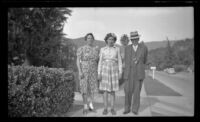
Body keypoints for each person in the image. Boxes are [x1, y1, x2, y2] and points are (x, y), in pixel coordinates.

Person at [123, 31, 148, 115]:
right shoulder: (127, 48)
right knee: (127, 92)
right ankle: (127, 108)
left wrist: (139, 65)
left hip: (139, 73)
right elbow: (126, 61)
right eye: (133, 39)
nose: (134, 40)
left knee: (137, 93)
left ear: (138, 39)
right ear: (131, 40)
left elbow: (145, 60)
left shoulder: (144, 48)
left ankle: (135, 109)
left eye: (136, 39)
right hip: (128, 73)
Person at [98, 33, 122, 115]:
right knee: (104, 91)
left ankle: (112, 108)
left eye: (112, 39)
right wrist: (99, 73)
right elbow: (100, 62)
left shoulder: (117, 49)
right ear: (106, 40)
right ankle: (105, 108)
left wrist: (120, 72)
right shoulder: (102, 49)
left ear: (114, 40)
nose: (111, 41)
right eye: (109, 39)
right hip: (104, 70)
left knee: (112, 91)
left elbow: (120, 61)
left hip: (114, 70)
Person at [76, 33, 99, 115]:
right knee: (84, 89)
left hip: (93, 71)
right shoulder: (81, 49)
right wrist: (80, 71)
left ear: (93, 39)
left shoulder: (96, 49)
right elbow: (78, 61)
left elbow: (98, 61)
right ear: (86, 39)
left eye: (91, 38)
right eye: (88, 38)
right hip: (84, 71)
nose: (90, 39)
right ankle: (85, 106)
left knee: (92, 89)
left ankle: (91, 106)